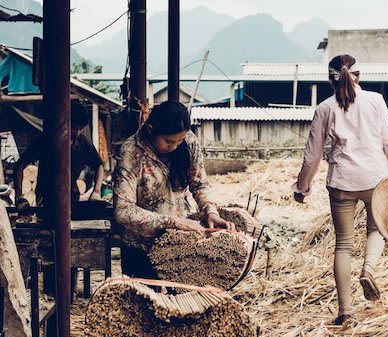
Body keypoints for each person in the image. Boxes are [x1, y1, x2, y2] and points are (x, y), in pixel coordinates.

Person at [292, 54, 388, 325]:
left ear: (329, 79)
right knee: (377, 229)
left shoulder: (324, 108)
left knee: (343, 245)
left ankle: (345, 311)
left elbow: (311, 156)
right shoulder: (376, 101)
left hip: (342, 182)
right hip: (375, 179)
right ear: (359, 75)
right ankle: (368, 269)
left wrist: (302, 187)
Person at [113, 101, 234, 279]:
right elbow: (123, 211)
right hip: (140, 246)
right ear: (151, 129)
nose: (175, 146)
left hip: (178, 244)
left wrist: (211, 211)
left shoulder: (189, 141)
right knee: (145, 301)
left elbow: (199, 183)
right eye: (169, 141)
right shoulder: (131, 153)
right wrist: (173, 222)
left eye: (179, 141)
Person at [14, 101, 105, 205]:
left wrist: (96, 191)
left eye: (81, 129)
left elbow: (99, 166)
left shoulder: (83, 143)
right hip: (45, 198)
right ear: (65, 123)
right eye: (75, 128)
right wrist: (19, 195)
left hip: (72, 198)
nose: (77, 133)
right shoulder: (45, 140)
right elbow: (19, 166)